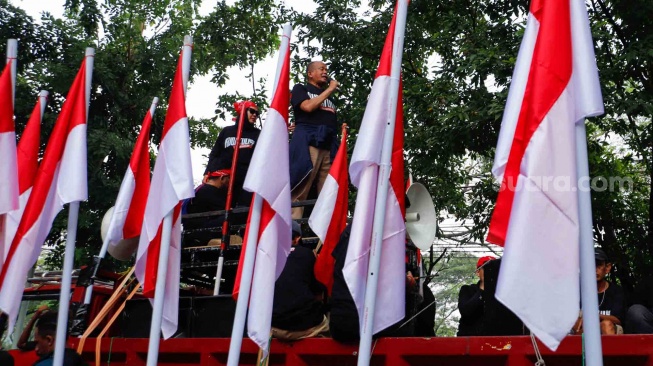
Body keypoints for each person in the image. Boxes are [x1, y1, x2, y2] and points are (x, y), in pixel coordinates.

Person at [289, 61, 340, 219]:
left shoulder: (330, 99)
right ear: (310, 74)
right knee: (300, 189)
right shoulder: (301, 88)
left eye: (326, 69)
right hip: (309, 143)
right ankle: (292, 234)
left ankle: (325, 240)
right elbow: (307, 107)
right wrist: (330, 89)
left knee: (329, 194)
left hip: (328, 146)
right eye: (321, 69)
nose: (325, 72)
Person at [271, 221, 329, 340]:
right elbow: (319, 291)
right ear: (297, 239)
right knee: (326, 326)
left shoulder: (268, 256)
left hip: (273, 325)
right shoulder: (308, 254)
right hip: (304, 326)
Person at [206, 100, 260, 208]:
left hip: (246, 179)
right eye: (252, 111)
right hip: (225, 179)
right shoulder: (227, 131)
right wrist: (208, 172)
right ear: (243, 111)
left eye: (257, 114)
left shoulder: (257, 134)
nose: (255, 115)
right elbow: (215, 153)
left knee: (243, 209)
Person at [572, 248, 625, 335]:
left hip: (609, 330)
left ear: (607, 268)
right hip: (583, 332)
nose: (594, 269)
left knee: (606, 324)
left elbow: (618, 320)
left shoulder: (616, 291)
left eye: (598, 265)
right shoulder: (577, 291)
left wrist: (595, 317)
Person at [182, 168, 231, 246]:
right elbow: (223, 210)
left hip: (193, 229)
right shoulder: (210, 191)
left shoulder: (200, 189)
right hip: (200, 231)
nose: (230, 183)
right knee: (231, 215)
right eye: (228, 179)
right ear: (222, 178)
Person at [457, 256, 494, 336]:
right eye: (486, 268)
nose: (490, 271)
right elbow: (466, 311)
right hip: (470, 340)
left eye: (493, 269)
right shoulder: (467, 290)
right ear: (478, 272)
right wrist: (483, 289)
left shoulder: (500, 295)